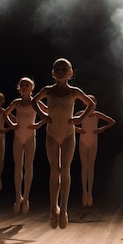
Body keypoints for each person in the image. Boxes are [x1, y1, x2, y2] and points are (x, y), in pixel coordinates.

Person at [32, 58, 95, 229]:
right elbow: (33, 101)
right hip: (52, 134)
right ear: (53, 72)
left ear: (70, 73)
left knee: (65, 170)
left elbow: (90, 104)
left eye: (64, 69)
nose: (60, 71)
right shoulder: (48, 90)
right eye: (57, 69)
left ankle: (64, 210)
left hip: (68, 134)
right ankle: (53, 210)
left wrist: (80, 118)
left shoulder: (74, 91)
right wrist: (43, 115)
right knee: (54, 170)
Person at [4, 78, 44, 214]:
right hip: (18, 137)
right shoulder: (16, 102)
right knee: (17, 167)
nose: (24, 86)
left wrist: (38, 124)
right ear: (19, 88)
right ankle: (17, 197)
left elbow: (47, 113)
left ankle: (26, 198)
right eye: (22, 85)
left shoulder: (35, 102)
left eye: (27, 85)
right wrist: (12, 125)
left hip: (30, 137)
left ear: (32, 87)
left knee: (28, 166)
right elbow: (5, 114)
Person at [74, 95, 116, 207]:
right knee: (84, 167)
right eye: (88, 101)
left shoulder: (97, 115)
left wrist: (102, 129)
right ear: (85, 103)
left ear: (95, 103)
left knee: (90, 167)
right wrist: (77, 129)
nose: (90, 103)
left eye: (92, 101)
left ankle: (89, 193)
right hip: (83, 140)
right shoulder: (80, 114)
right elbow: (69, 122)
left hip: (93, 141)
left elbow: (112, 121)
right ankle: (84, 192)